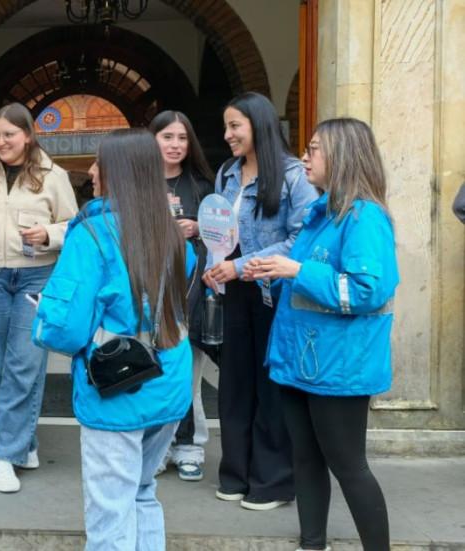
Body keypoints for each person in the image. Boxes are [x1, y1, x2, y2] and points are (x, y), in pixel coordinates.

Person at [33, 129, 193, 550]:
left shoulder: (92, 234)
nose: (91, 170)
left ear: (117, 172)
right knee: (143, 492)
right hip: (170, 379)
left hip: (117, 388)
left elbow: (65, 330)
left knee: (109, 511)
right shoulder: (175, 233)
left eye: (98, 163)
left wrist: (42, 316)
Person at [245, 118, 397, 551]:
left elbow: (367, 290)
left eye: (314, 149)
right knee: (305, 459)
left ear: (342, 156)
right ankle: (312, 544)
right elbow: (309, 284)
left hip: (338, 365)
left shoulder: (364, 217)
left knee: (349, 466)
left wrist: (296, 269)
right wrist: (273, 273)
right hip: (302, 361)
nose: (305, 157)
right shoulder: (322, 213)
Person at [202, 92, 319, 511]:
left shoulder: (292, 176)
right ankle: (235, 474)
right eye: (227, 126)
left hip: (276, 293)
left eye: (235, 126)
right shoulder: (227, 174)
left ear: (258, 126)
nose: (227, 134)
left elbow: (301, 240)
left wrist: (243, 265)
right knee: (234, 386)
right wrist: (216, 265)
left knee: (271, 387)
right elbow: (221, 234)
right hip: (233, 292)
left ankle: (272, 482)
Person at [0, 103, 78, 493]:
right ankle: (25, 442)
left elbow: (73, 227)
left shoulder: (53, 176)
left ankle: (2, 455)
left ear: (27, 135)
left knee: (24, 363)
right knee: (2, 365)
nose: (1, 141)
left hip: (36, 277)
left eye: (9, 134)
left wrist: (49, 235)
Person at [148, 110, 215, 482]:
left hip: (192, 291)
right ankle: (156, 447)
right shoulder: (139, 184)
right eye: (167, 137)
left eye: (182, 138)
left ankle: (188, 446)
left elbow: (227, 239)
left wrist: (198, 227)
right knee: (153, 373)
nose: (175, 145)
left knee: (186, 374)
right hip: (148, 293)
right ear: (152, 140)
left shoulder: (203, 186)